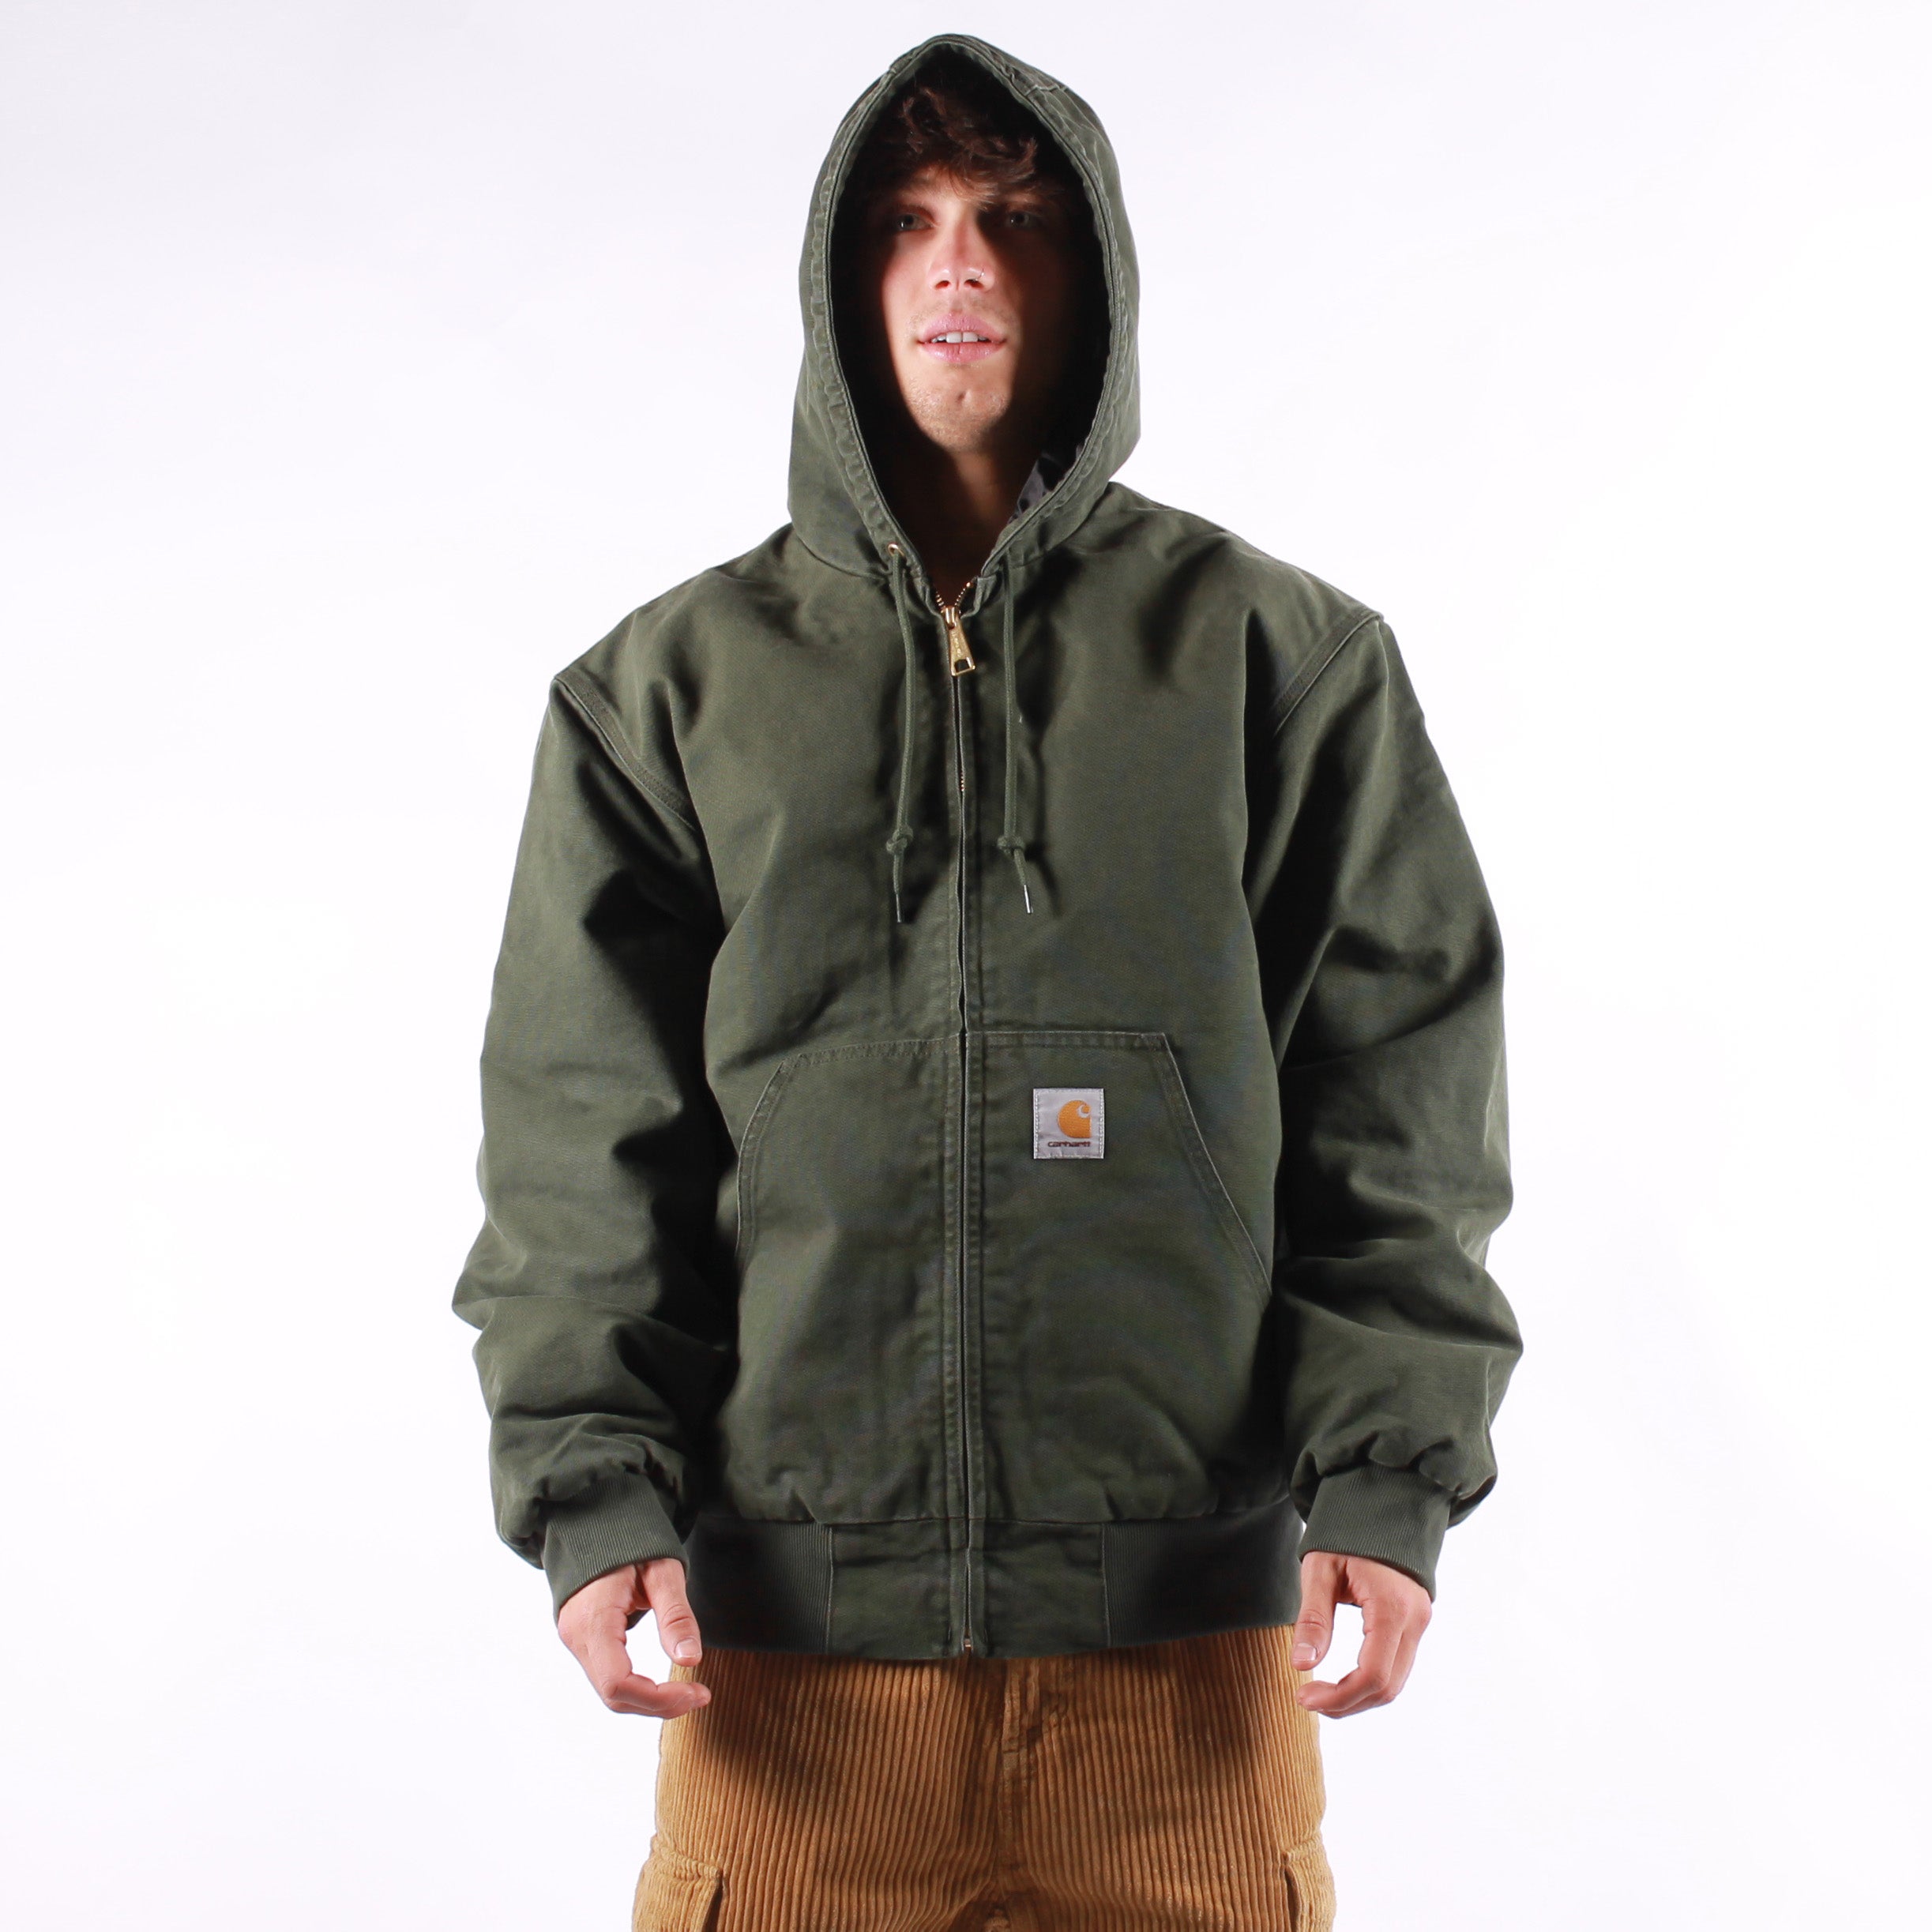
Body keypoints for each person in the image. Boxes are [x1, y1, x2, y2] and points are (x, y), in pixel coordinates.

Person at [453, 32, 1520, 1931]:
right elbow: (581, 1139)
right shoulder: (663, 693)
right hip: (785, 1691)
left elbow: (1396, 1104)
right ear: (839, 282)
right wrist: (592, 1489)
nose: (958, 260)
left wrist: (1385, 1469)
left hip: (1189, 1684)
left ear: (1087, 272)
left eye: (1012, 218)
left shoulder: (1278, 660)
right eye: (909, 219)